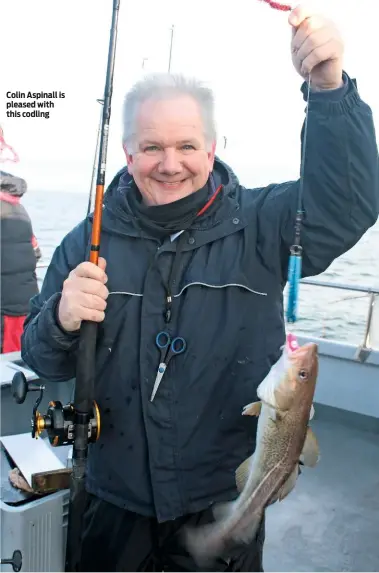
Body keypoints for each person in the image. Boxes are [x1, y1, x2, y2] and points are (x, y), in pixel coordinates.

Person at [21, 4, 378, 572]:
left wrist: (328, 88)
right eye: (152, 147)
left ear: (212, 147)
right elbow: (42, 358)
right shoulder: (83, 242)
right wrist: (60, 318)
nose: (170, 164)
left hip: (220, 498)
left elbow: (347, 205)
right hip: (113, 501)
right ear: (128, 153)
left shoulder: (265, 224)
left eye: (187, 146)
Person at [0, 169, 41, 354]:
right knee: (19, 360)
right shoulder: (21, 211)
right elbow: (36, 252)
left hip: (4, 305)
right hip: (27, 302)